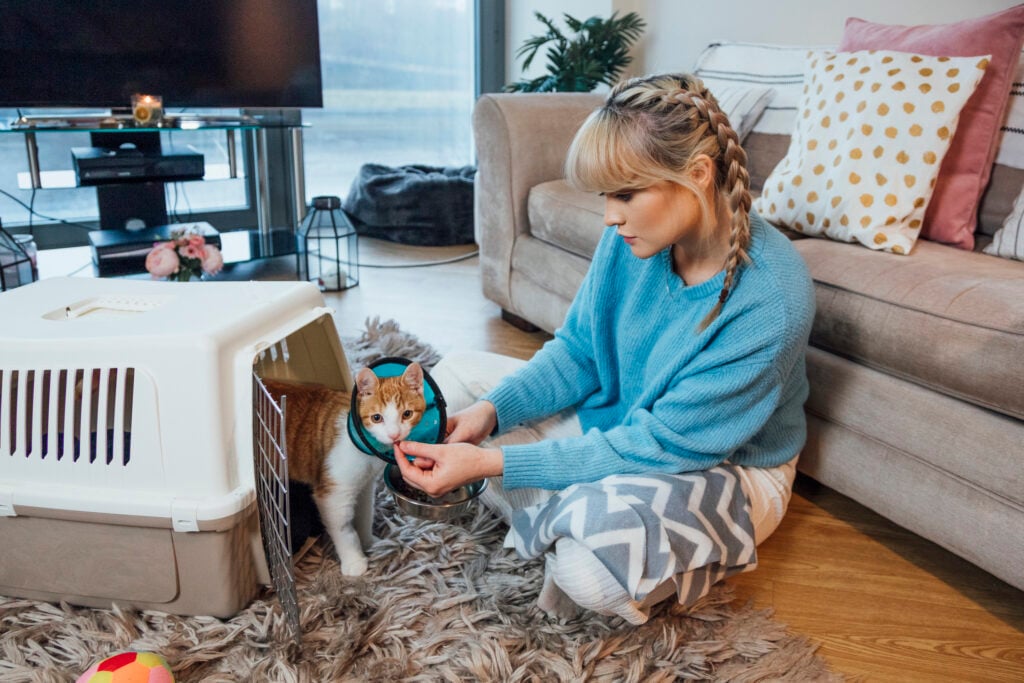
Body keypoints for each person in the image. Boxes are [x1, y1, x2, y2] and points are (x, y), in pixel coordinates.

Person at [394, 73, 815, 623]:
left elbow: (660, 445)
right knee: (457, 379)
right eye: (605, 197)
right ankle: (567, 509)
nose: (610, 217)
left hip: (724, 468)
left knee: (583, 570)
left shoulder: (769, 302)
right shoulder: (635, 240)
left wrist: (492, 462)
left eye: (625, 195)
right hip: (622, 425)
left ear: (697, 175)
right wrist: (489, 414)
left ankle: (591, 528)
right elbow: (578, 353)